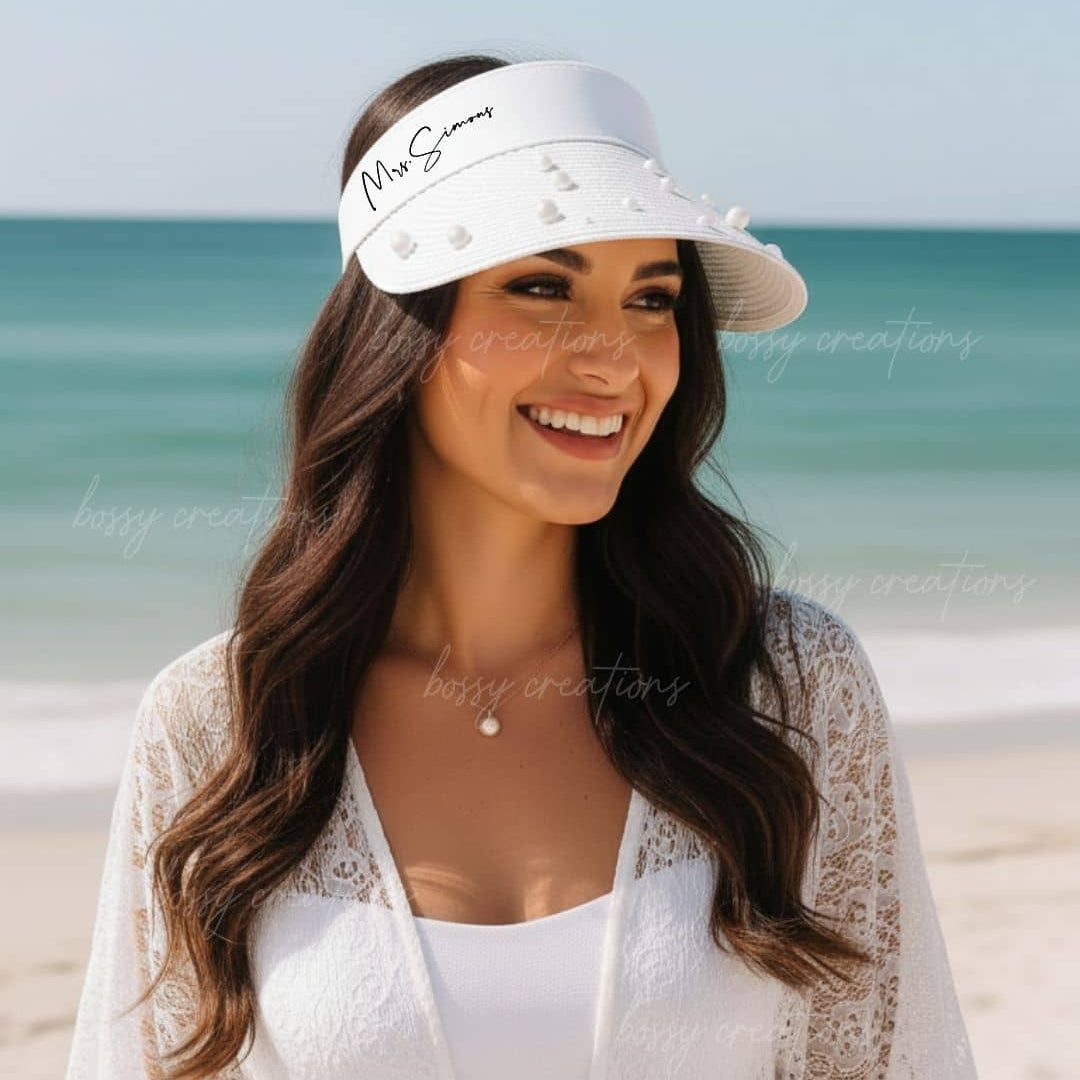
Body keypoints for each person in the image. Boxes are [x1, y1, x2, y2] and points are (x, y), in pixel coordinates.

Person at [64, 53, 978, 1079]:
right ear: (395, 333)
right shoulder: (219, 723)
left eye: (652, 298)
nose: (614, 358)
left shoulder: (787, 685)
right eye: (544, 286)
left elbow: (898, 1057)